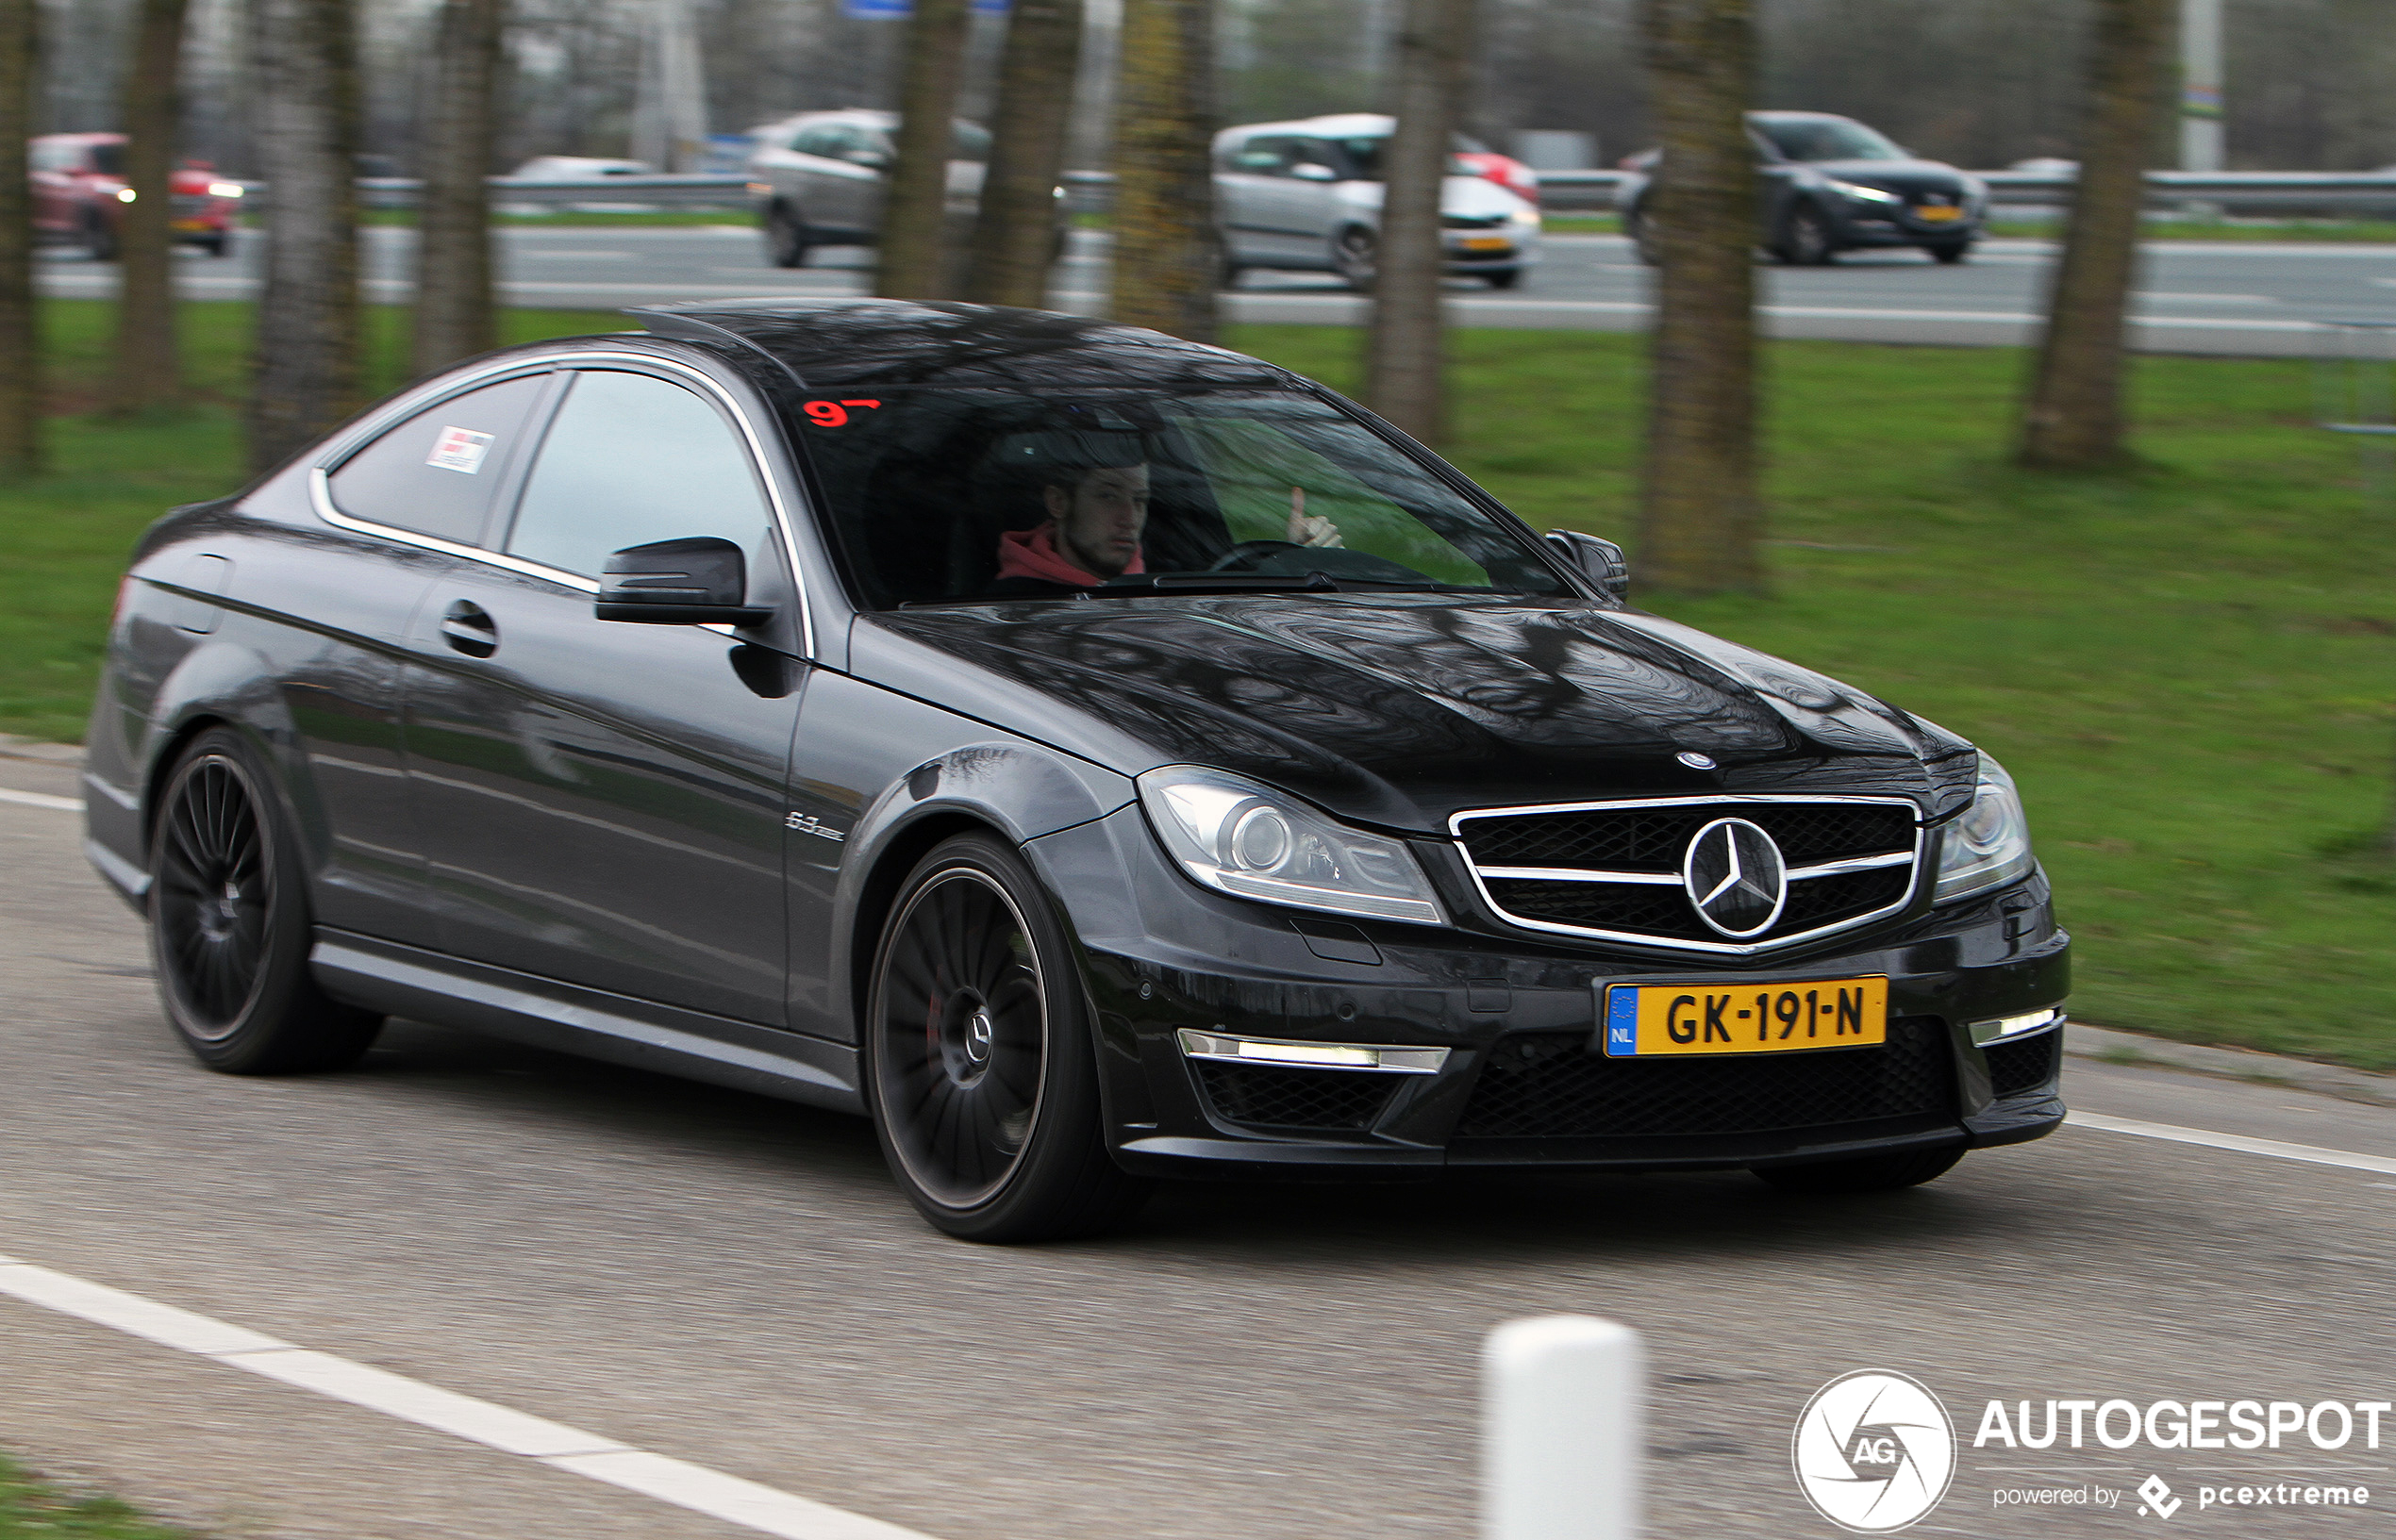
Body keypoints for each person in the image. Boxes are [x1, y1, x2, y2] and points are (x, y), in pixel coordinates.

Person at [990, 459, 1154, 596]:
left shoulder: (1167, 584)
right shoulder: (1009, 605)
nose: (1131, 520)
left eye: (1139, 500)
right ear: (1058, 502)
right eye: (1108, 496)